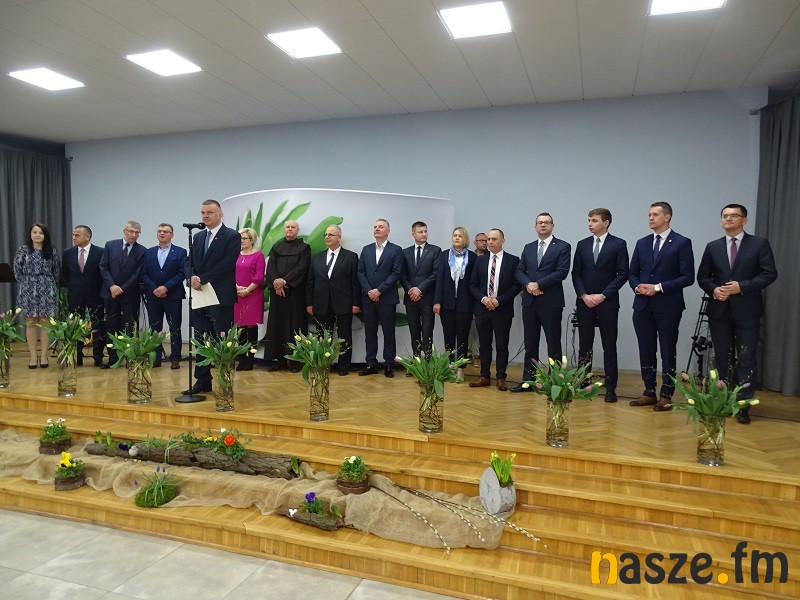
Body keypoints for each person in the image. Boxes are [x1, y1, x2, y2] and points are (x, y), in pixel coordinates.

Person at [697, 204, 777, 424]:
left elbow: (769, 273)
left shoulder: (759, 243)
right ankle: (722, 401)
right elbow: (702, 276)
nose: (729, 219)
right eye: (725, 216)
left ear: (744, 220)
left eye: (734, 215)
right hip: (719, 310)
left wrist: (741, 286)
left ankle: (742, 405)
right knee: (721, 358)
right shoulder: (713, 246)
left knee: (746, 358)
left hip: (747, 310)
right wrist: (714, 289)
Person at [628, 202, 694, 411]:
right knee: (646, 349)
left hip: (668, 305)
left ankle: (666, 394)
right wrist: (638, 286)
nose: (650, 218)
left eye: (655, 214)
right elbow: (632, 273)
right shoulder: (642, 243)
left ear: (667, 217)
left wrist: (657, 287)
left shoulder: (681, 242)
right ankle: (649, 391)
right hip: (642, 305)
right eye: (649, 214)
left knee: (667, 349)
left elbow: (688, 277)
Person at [570, 208, 629, 402]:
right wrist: (583, 295)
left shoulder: (618, 244)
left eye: (594, 220)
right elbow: (576, 273)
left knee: (609, 346)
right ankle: (583, 383)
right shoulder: (582, 244)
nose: (590, 224)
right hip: (585, 302)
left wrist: (603, 295)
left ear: (606, 223)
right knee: (585, 346)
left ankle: (610, 388)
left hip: (607, 302)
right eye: (589, 220)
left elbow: (622, 274)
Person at [183, 199, 241, 396]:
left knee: (221, 340)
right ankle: (203, 380)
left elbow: (228, 263)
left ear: (220, 214)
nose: (205, 216)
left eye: (209, 212)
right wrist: (191, 277)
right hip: (199, 295)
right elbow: (188, 261)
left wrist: (203, 278)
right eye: (203, 212)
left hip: (220, 296)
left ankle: (224, 379)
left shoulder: (231, 236)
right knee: (201, 339)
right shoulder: (198, 236)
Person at [511, 213, 571, 392]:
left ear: (552, 225)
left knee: (553, 344)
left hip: (550, 302)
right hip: (530, 302)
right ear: (535, 226)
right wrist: (529, 285)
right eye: (540, 222)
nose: (543, 225)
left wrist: (538, 284)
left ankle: (555, 382)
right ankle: (529, 381)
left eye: (546, 222)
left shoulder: (563, 246)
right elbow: (519, 270)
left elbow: (561, 272)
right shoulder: (529, 247)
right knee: (530, 344)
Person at [468, 228, 520, 391]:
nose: (490, 242)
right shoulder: (480, 260)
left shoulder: (513, 260)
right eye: (488, 239)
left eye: (494, 239)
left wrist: (498, 301)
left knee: (502, 344)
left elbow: (516, 286)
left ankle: (500, 377)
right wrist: (484, 299)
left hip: (502, 309)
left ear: (502, 241)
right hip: (482, 309)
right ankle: (484, 376)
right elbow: (472, 285)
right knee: (484, 344)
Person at [306, 225, 361, 376]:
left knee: (345, 337)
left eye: (331, 235)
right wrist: (309, 303)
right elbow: (311, 282)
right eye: (325, 234)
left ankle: (344, 367)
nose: (327, 237)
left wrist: (356, 303)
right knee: (322, 337)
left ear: (339, 238)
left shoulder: (351, 257)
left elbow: (355, 282)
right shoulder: (317, 257)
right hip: (321, 304)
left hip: (344, 304)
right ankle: (323, 365)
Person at [357, 218, 403, 378]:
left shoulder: (396, 250)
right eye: (375, 226)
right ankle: (371, 363)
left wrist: (379, 290)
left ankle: (389, 364)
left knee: (389, 333)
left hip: (387, 299)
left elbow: (396, 273)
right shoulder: (366, 249)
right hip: (368, 298)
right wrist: (369, 291)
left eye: (381, 227)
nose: (377, 229)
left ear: (388, 231)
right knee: (370, 333)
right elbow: (360, 272)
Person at [264, 220, 311, 372]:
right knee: (277, 326)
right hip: (278, 295)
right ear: (284, 229)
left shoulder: (304, 248)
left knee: (295, 326)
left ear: (298, 230)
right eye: (287, 227)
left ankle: (295, 361)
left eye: (293, 227)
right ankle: (280, 360)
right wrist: (276, 284)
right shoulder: (276, 247)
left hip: (295, 294)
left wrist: (284, 281)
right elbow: (270, 267)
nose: (290, 229)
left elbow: (302, 268)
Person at [99, 221, 146, 367]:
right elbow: (103, 267)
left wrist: (122, 288)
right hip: (110, 293)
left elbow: (138, 273)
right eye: (131, 231)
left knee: (130, 327)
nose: (134, 235)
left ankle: (131, 357)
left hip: (129, 294)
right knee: (111, 326)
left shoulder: (142, 251)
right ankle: (113, 358)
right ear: (124, 231)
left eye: (137, 232)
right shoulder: (110, 245)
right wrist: (112, 286)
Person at [13, 223, 60, 368]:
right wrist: (28, 282)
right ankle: (33, 356)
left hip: (47, 288)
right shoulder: (23, 250)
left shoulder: (51, 250)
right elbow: (17, 270)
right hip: (28, 288)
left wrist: (48, 283)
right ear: (30, 234)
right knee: (31, 323)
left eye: (41, 232)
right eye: (35, 232)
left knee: (45, 323)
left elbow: (56, 271)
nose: (37, 235)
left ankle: (44, 356)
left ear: (45, 235)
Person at [433, 226, 476, 379]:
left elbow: (475, 282)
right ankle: (450, 366)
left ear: (465, 239)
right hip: (447, 304)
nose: (457, 238)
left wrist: (474, 306)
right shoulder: (445, 255)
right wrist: (437, 301)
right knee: (449, 336)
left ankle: (460, 368)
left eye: (460, 236)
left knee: (463, 337)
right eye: (455, 235)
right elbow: (439, 280)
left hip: (465, 304)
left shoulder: (472, 257)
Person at [142, 223, 187, 369]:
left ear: (172, 235)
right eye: (160, 231)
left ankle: (175, 358)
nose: (162, 233)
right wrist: (154, 289)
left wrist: (166, 287)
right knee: (155, 328)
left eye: (166, 231)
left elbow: (182, 273)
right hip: (153, 295)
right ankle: (156, 358)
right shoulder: (149, 252)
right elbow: (144, 273)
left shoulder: (180, 252)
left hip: (173, 295)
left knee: (175, 327)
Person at [61, 225, 106, 367]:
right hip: (75, 294)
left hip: (95, 294)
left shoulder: (100, 252)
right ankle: (77, 356)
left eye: (77, 235)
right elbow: (64, 275)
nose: (74, 237)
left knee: (98, 325)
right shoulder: (68, 253)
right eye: (73, 234)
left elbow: (103, 273)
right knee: (75, 325)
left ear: (87, 237)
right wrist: (74, 286)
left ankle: (98, 357)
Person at [401, 221, 441, 357]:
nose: (424, 234)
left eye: (425, 231)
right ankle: (417, 362)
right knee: (414, 331)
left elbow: (436, 273)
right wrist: (411, 289)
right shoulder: (405, 252)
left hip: (427, 298)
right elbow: (402, 275)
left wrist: (420, 289)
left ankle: (427, 362)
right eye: (420, 232)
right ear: (413, 234)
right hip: (410, 299)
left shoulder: (435, 250)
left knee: (427, 331)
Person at [234, 227, 265, 371]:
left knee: (251, 327)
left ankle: (250, 360)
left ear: (252, 240)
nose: (241, 241)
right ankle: (241, 359)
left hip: (253, 295)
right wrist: (236, 287)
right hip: (237, 295)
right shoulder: (235, 254)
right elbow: (230, 273)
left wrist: (247, 290)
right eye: (240, 238)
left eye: (244, 238)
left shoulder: (258, 256)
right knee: (240, 327)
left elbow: (259, 277)